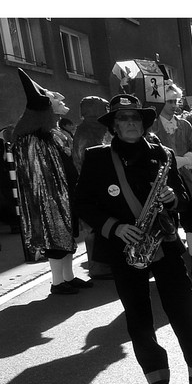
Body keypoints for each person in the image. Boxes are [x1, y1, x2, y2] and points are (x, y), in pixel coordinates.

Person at [73, 93, 192, 384]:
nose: (131, 123)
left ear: (144, 123)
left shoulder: (162, 154)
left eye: (136, 118)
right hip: (125, 245)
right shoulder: (97, 158)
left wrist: (173, 199)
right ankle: (158, 379)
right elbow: (82, 203)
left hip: (163, 243)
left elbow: (184, 200)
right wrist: (115, 227)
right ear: (115, 126)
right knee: (138, 314)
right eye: (123, 119)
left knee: (184, 307)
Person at [10, 68, 89, 294]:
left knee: (68, 235)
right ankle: (57, 283)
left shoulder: (53, 133)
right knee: (56, 237)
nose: (60, 100)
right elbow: (38, 175)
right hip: (51, 198)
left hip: (66, 193)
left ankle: (68, 276)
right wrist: (54, 197)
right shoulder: (32, 139)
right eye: (54, 99)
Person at [149, 82, 192, 278]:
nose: (174, 105)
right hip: (162, 182)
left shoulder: (184, 124)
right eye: (170, 101)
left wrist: (189, 159)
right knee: (167, 223)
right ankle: (172, 265)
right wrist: (177, 160)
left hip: (187, 181)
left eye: (176, 101)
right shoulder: (153, 126)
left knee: (191, 222)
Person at [71, 96, 114, 280]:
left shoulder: (94, 130)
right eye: (104, 108)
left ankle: (102, 264)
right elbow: (92, 162)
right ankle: (98, 267)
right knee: (94, 229)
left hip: (96, 186)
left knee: (98, 228)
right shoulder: (89, 132)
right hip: (93, 188)